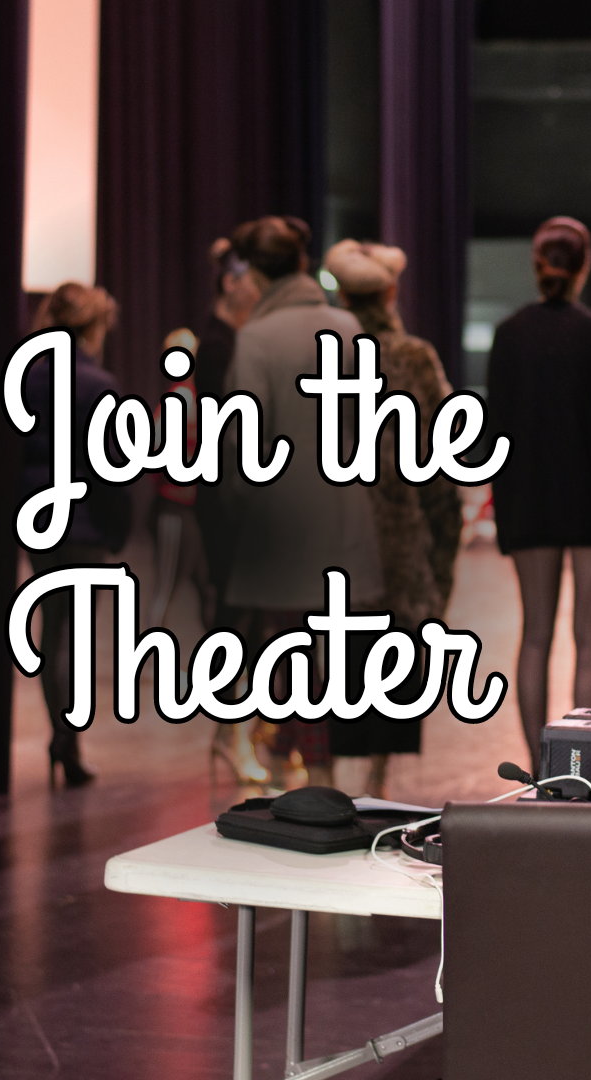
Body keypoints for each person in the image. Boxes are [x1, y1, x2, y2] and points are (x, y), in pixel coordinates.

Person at [224, 216, 383, 787]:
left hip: (284, 517)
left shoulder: (257, 338)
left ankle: (300, 774)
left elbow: (246, 440)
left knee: (288, 656)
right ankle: (315, 774)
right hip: (342, 509)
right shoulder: (346, 325)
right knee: (327, 655)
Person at [487, 217, 591, 773]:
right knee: (589, 634)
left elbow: (494, 433)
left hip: (528, 501)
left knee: (535, 635)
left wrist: (501, 504)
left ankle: (535, 770)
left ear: (537, 265)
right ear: (585, 265)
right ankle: (581, 770)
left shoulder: (509, 334)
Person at [322, 239, 463, 797]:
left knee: (332, 658)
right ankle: (377, 786)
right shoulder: (412, 357)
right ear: (390, 291)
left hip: (332, 538)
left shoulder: (323, 354)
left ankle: (326, 781)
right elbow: (442, 456)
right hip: (399, 544)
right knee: (394, 663)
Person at [24, 282, 132, 787]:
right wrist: (119, 529)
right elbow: (112, 467)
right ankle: (68, 742)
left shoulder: (28, 376)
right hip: (83, 522)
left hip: (40, 520)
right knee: (76, 638)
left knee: (53, 632)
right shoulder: (97, 384)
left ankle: (63, 738)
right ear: (93, 327)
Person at [191, 239, 268, 785]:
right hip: (227, 497)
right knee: (236, 619)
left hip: (242, 493)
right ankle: (232, 731)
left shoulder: (235, 339)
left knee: (247, 618)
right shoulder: (218, 345)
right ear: (230, 282)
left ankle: (234, 730)